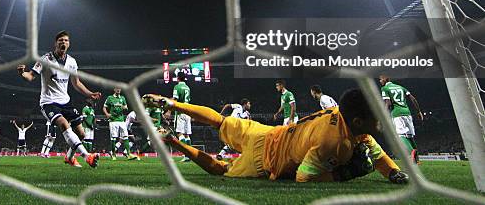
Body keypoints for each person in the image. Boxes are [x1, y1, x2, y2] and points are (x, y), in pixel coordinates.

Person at [142, 88, 409, 184]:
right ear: (360, 121)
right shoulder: (334, 143)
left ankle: (170, 103)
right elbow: (305, 176)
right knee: (222, 169)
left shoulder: (347, 119)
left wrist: (394, 172)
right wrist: (343, 174)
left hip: (268, 133)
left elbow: (376, 152)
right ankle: (174, 141)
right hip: (265, 160)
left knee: (219, 121)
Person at [17, 30, 101, 168]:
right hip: (49, 102)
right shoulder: (45, 59)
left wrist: (90, 94)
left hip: (65, 102)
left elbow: (76, 83)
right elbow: (31, 76)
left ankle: (69, 158)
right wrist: (22, 73)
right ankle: (87, 156)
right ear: (56, 43)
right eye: (61, 40)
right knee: (63, 124)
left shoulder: (72, 62)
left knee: (81, 134)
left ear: (69, 44)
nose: (63, 42)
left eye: (66, 40)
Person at [379, 75, 423, 163]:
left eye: (380, 79)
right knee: (410, 136)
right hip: (407, 113)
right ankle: (417, 159)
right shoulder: (400, 87)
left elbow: (388, 103)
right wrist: (419, 112)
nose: (380, 81)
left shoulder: (385, 88)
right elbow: (413, 99)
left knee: (400, 135)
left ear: (385, 79)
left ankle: (411, 152)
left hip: (397, 114)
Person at [103, 87, 139, 160]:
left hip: (121, 120)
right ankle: (113, 154)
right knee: (113, 138)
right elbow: (104, 107)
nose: (118, 90)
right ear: (114, 89)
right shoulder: (110, 98)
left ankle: (128, 154)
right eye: (117, 88)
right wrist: (107, 114)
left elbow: (126, 107)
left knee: (125, 136)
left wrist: (123, 107)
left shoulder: (122, 98)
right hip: (113, 120)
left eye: (119, 88)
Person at [173, 71, 192, 162]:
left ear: (178, 78)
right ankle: (190, 155)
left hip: (180, 112)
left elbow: (175, 100)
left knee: (179, 133)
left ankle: (186, 155)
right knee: (187, 135)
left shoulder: (177, 87)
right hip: (188, 111)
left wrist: (168, 110)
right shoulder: (187, 87)